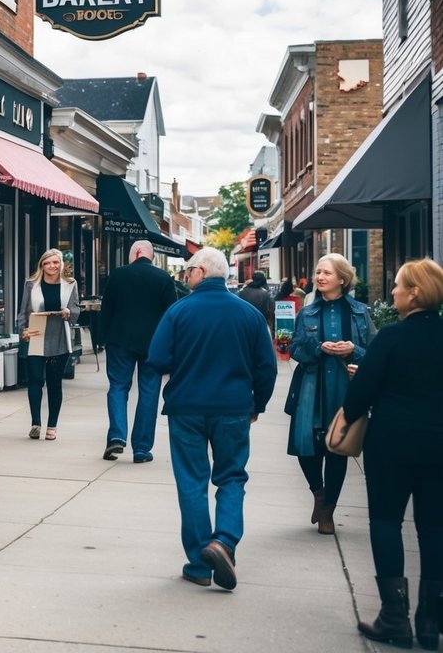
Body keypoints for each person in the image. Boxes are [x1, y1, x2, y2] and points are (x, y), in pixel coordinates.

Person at [147, 247, 277, 591]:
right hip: (233, 408)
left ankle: (199, 563)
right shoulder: (249, 315)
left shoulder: (178, 311)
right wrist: (257, 404)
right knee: (232, 477)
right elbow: (267, 367)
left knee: (192, 482)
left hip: (186, 408)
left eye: (189, 270)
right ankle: (224, 542)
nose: (186, 275)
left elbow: (157, 358)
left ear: (202, 272)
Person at [341, 259, 443, 649]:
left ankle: (394, 618)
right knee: (435, 529)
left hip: (392, 445)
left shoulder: (390, 338)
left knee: (386, 523)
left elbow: (358, 396)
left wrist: (350, 415)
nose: (394, 291)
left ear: (414, 292)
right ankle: (431, 622)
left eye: (399, 285)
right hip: (439, 445)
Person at [285, 253, 375, 535]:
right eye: (318, 272)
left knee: (337, 449)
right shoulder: (307, 313)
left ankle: (328, 512)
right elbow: (295, 350)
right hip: (311, 389)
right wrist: (318, 348)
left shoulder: (360, 312)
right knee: (305, 448)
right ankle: (319, 492)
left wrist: (353, 351)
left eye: (326, 273)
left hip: (346, 388)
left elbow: (374, 353)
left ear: (342, 279)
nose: (320, 277)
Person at [98, 239, 177, 462]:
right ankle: (141, 448)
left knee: (118, 387)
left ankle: (116, 436)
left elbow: (107, 309)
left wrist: (101, 338)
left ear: (136, 252)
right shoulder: (163, 278)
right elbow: (172, 314)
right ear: (149, 255)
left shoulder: (118, 275)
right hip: (153, 345)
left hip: (120, 340)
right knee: (149, 392)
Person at [16, 248, 80, 441]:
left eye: (56, 262)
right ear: (42, 265)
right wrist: (23, 332)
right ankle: (36, 423)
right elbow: (23, 312)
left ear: (61, 264)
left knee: (54, 384)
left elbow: (76, 308)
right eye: (48, 263)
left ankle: (52, 425)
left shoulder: (70, 284)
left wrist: (69, 311)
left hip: (59, 337)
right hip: (36, 335)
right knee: (35, 380)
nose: (52, 266)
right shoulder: (31, 284)